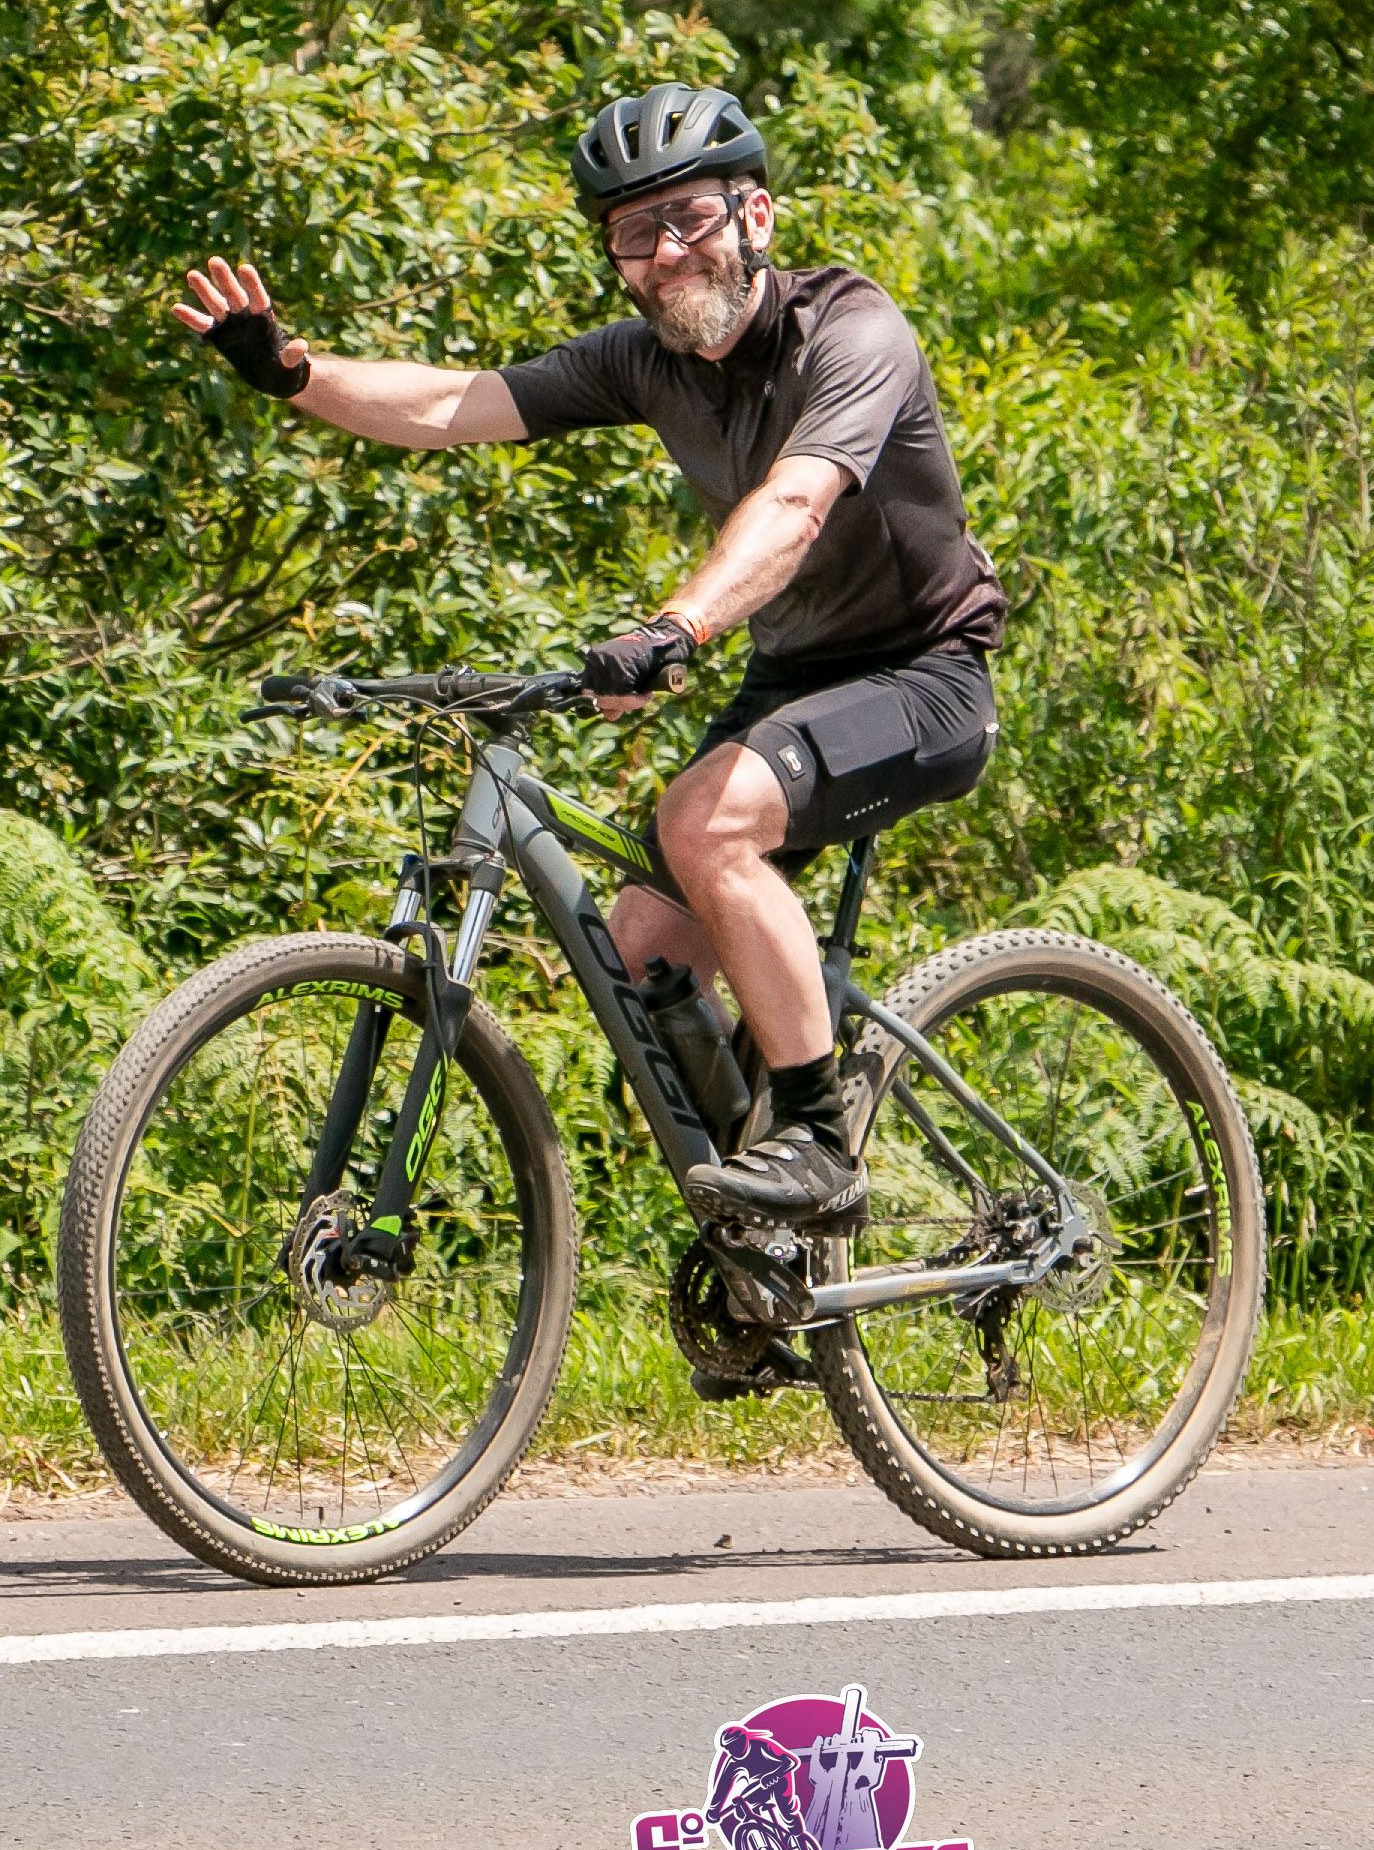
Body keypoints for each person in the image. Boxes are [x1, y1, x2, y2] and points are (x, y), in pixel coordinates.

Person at [169, 82, 1004, 1230]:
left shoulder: (853, 331)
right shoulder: (644, 362)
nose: (666, 253)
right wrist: (298, 378)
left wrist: (676, 627)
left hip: (926, 673)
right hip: (794, 679)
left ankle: (820, 1149)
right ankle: (769, 1245)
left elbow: (797, 504)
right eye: (632, 232)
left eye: (690, 219)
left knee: (703, 822)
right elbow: (456, 403)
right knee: (644, 945)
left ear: (756, 217)